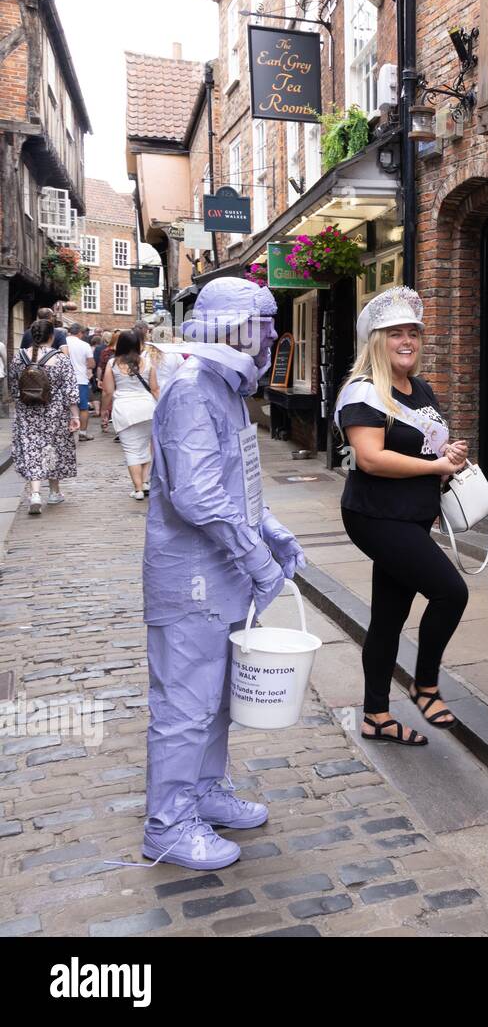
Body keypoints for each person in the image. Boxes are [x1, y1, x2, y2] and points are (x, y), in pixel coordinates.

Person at [141, 277, 305, 871]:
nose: (270, 336)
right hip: (191, 580)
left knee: (213, 701)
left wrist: (272, 531)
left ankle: (205, 791)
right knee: (185, 704)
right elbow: (198, 496)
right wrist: (256, 557)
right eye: (261, 323)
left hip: (220, 577)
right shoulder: (191, 389)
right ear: (232, 326)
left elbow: (240, 484)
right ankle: (168, 822)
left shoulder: (223, 388)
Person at [334, 286, 470, 746]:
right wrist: (436, 466)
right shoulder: (364, 392)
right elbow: (370, 458)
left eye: (413, 332)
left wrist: (448, 454)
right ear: (377, 340)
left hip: (411, 515)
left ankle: (375, 715)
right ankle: (425, 685)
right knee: (451, 592)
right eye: (396, 334)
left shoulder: (421, 389)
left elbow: (424, 446)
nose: (407, 340)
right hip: (376, 516)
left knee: (389, 617)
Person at [8, 319, 79, 514]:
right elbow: (70, 390)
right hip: (54, 412)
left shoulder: (18, 357)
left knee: (32, 449)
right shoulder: (60, 358)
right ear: (51, 336)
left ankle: (35, 493)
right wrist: (75, 416)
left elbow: (14, 388)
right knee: (51, 448)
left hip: (27, 411)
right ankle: (54, 492)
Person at [100, 328, 160, 499]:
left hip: (124, 410)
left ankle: (138, 488)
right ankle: (145, 481)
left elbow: (108, 392)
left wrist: (104, 410)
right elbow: (155, 389)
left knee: (131, 450)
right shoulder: (147, 363)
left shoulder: (113, 364)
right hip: (148, 409)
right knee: (145, 447)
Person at [64, 323, 95, 441]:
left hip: (65, 379)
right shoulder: (85, 345)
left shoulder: (62, 343)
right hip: (81, 379)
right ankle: (82, 432)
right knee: (83, 407)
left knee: (66, 406)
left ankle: (67, 430)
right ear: (80, 333)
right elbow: (91, 364)